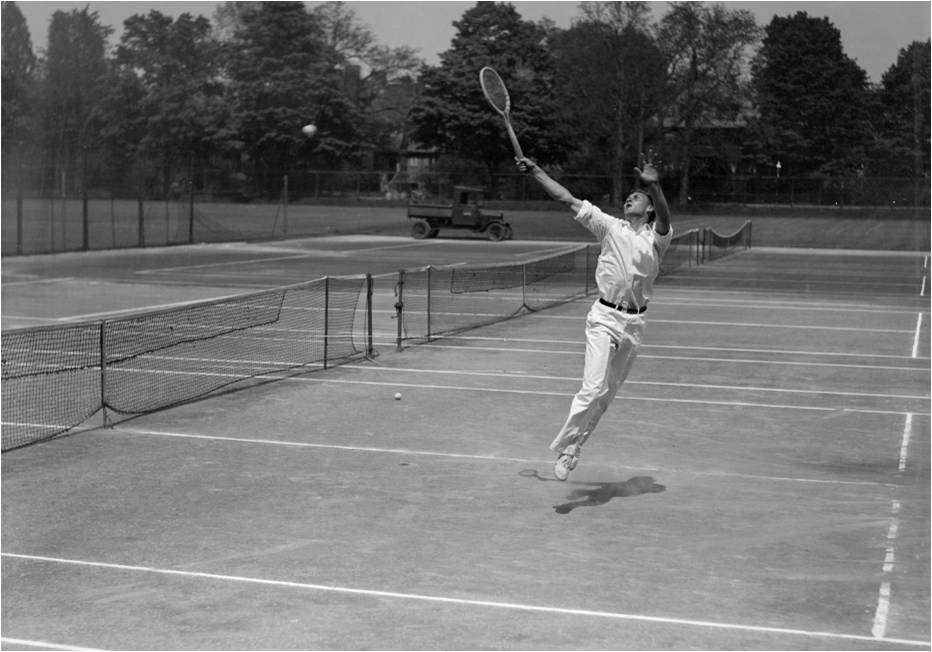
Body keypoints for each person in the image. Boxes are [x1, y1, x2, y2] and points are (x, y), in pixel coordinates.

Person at [516, 153, 673, 481]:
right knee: (591, 388)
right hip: (604, 317)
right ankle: (565, 446)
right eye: (629, 197)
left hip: (635, 325)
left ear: (649, 209)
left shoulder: (658, 238)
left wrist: (655, 186)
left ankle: (573, 449)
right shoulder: (608, 226)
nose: (630, 199)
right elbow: (566, 198)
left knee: (605, 396)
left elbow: (665, 217)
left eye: (638, 197)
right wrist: (537, 171)